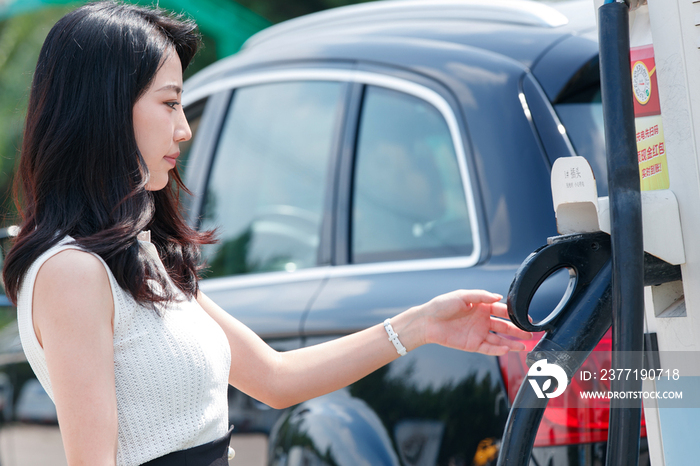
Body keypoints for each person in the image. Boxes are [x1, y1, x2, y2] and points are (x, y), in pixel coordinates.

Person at [1, 2, 532, 465]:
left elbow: (275, 379)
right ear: (106, 111)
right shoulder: (72, 271)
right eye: (169, 103)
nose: (184, 127)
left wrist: (421, 325)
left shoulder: (138, 252)